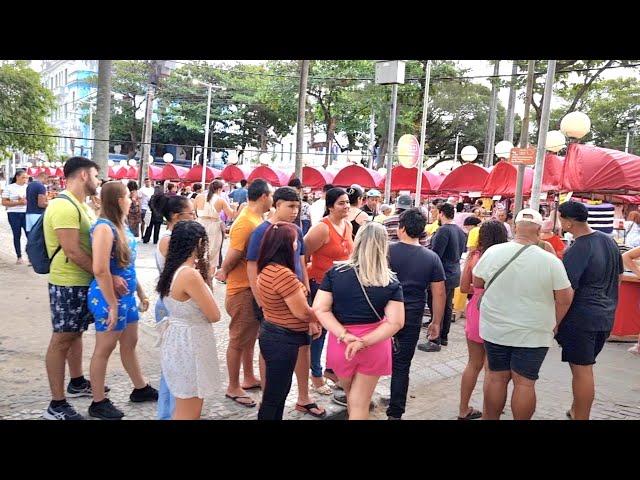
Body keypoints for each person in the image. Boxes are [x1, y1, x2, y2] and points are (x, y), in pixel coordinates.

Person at [42, 157, 126, 420]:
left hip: (80, 281)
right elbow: (72, 251)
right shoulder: (63, 205)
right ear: (82, 176)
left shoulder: (82, 205)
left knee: (75, 334)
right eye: (95, 175)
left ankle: (76, 382)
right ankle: (56, 404)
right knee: (62, 338)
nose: (98, 181)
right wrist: (106, 276)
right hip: (67, 282)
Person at [472, 208, 574, 420]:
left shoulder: (493, 252)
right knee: (525, 382)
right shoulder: (550, 261)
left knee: (495, 378)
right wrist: (554, 323)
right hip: (534, 332)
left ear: (515, 227)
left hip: (495, 328)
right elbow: (565, 298)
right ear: (538, 231)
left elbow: (477, 282)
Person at [313, 222, 405, 420]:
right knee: (360, 403)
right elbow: (396, 322)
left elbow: (320, 308)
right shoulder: (389, 280)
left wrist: (345, 335)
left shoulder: (335, 273)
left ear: (358, 241)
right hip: (375, 344)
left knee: (352, 398)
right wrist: (363, 341)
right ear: (383, 245)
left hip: (341, 343)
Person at [246, 187, 325, 417]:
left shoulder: (290, 238)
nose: (295, 211)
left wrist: (305, 293)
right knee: (276, 391)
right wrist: (317, 315)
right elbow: (301, 312)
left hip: (286, 314)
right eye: (290, 206)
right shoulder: (266, 237)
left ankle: (300, 398)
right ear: (277, 203)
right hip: (281, 327)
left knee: (278, 389)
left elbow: (301, 263)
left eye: (297, 207)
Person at [87, 181, 157, 419]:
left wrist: (140, 292)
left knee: (130, 342)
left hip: (124, 295)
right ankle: (98, 401)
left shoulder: (120, 226)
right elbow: (100, 269)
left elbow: (126, 265)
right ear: (118, 200)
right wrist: (113, 304)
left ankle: (140, 388)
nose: (132, 200)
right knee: (104, 348)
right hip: (108, 297)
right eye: (128, 196)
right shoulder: (104, 228)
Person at [556, 201, 624, 420]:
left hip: (582, 318)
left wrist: (555, 322)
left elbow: (567, 292)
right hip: (605, 314)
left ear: (567, 222)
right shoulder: (609, 241)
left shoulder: (578, 249)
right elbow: (619, 278)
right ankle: (576, 409)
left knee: (582, 370)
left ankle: (581, 416)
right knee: (584, 367)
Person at [215, 179, 273, 408]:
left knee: (250, 338)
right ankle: (232, 385)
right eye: (271, 195)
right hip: (241, 289)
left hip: (250, 287)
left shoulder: (254, 218)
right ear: (263, 196)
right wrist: (224, 271)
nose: (272, 199)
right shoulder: (246, 221)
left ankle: (248, 377)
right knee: (238, 339)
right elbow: (235, 251)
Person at [157, 221, 222, 419]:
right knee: (189, 410)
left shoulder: (172, 269)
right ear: (199, 243)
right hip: (190, 344)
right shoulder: (189, 274)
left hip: (178, 339)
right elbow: (214, 314)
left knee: (184, 404)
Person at [386, 208, 446, 420]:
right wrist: (436, 322)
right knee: (402, 365)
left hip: (383, 313)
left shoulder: (387, 251)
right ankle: (395, 412)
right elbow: (438, 292)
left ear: (401, 228)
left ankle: (361, 399)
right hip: (412, 315)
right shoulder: (431, 258)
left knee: (374, 359)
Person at [304, 187, 354, 397]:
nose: (346, 206)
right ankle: (315, 374)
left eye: (348, 203)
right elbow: (302, 255)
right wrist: (305, 285)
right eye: (341, 203)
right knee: (319, 331)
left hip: (341, 287)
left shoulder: (349, 225)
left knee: (338, 330)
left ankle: (331, 370)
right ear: (331, 206)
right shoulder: (321, 228)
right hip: (319, 285)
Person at [458, 220, 508, 420]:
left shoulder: (475, 256)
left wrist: (477, 290)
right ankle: (492, 409)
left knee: (473, 363)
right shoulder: (507, 257)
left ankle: (463, 408)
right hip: (499, 309)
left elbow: (463, 287)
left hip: (476, 309)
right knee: (493, 367)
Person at [153, 195, 196, 419]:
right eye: (192, 214)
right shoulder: (171, 240)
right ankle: (170, 414)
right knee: (174, 368)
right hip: (173, 306)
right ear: (177, 217)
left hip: (172, 302)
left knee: (176, 366)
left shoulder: (173, 238)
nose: (195, 218)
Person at [419, 202, 467, 352]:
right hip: (454, 272)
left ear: (441, 213)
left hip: (442, 273)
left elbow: (435, 255)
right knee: (447, 306)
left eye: (435, 210)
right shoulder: (460, 231)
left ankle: (435, 338)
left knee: (437, 305)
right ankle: (443, 336)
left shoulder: (443, 231)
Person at [195, 180, 235, 271]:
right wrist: (234, 207)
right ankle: (209, 277)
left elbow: (195, 212)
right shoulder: (221, 200)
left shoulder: (199, 197)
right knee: (212, 254)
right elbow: (231, 215)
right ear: (219, 189)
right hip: (213, 227)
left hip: (199, 224)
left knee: (198, 250)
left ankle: (197, 272)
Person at [2, 169, 28, 264]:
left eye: (26, 178)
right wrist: (18, 202)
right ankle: (19, 256)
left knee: (29, 234)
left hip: (26, 213)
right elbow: (4, 202)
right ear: (17, 177)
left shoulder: (28, 187)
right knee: (17, 235)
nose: (25, 179)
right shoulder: (9, 187)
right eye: (23, 177)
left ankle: (30, 256)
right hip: (13, 214)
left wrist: (25, 201)